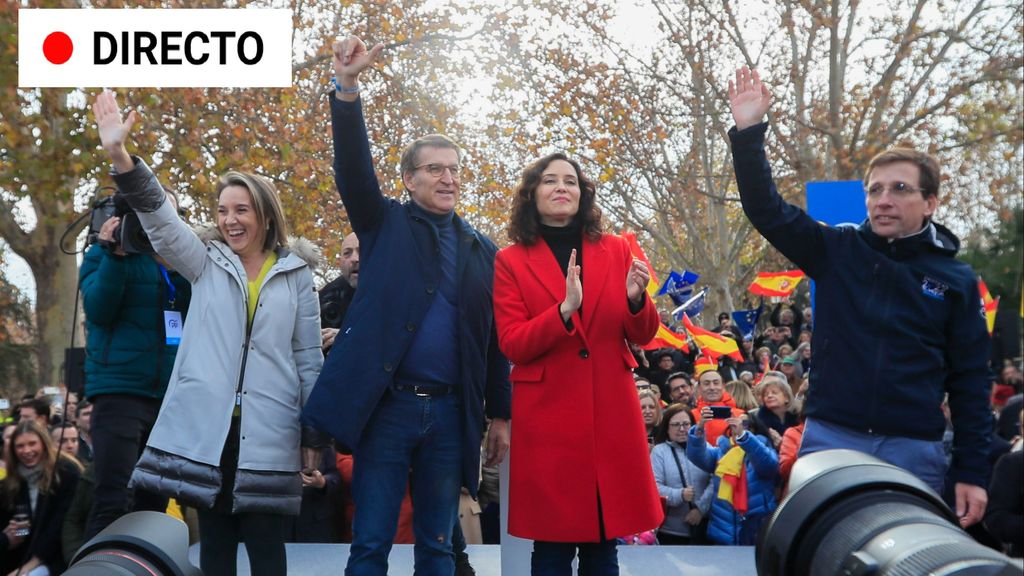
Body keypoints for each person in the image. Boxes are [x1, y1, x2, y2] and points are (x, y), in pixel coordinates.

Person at [729, 66, 992, 527]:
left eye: (900, 189)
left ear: (930, 203)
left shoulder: (956, 280)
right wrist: (749, 132)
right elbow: (765, 210)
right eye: (875, 190)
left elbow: (970, 383)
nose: (883, 200)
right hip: (832, 439)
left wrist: (972, 470)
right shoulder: (836, 250)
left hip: (915, 450)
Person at [301, 36, 511, 575]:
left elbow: (490, 340)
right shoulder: (383, 222)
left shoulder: (481, 249)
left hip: (449, 414)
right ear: (409, 179)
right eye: (435, 169)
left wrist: (500, 414)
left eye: (455, 169)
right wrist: (346, 89)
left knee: (438, 547)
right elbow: (351, 170)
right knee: (370, 542)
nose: (449, 178)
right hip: (387, 410)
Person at [91, 90, 324, 576]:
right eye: (222, 210)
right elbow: (159, 218)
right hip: (208, 430)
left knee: (267, 551)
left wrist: (312, 431)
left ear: (264, 214)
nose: (229, 220)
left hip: (271, 430)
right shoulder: (203, 261)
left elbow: (307, 357)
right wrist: (120, 155)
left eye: (240, 209)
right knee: (215, 548)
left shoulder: (298, 273)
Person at [493, 150, 662, 574]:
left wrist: (635, 299)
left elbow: (643, 335)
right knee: (551, 548)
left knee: (604, 545)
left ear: (582, 194)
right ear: (532, 194)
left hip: (609, 414)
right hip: (549, 420)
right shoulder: (509, 261)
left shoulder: (617, 249)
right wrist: (563, 311)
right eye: (550, 180)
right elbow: (513, 343)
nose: (561, 188)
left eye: (570, 181)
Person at [78, 184, 192, 540]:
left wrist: (176, 264)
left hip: (166, 399)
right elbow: (99, 310)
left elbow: (195, 313)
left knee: (154, 504)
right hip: (119, 393)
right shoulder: (104, 254)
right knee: (113, 497)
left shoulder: (179, 260)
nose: (161, 223)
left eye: (170, 216)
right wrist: (116, 256)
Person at [0, 420, 81, 575]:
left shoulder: (65, 472)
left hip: (59, 556)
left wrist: (30, 565)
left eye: (32, 443)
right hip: (22, 556)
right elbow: (23, 531)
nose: (27, 450)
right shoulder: (12, 482)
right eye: (20, 446)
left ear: (44, 444)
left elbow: (59, 524)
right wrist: (12, 535)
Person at [687, 410, 778, 545]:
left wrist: (744, 437)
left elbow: (768, 466)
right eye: (735, 423)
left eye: (745, 423)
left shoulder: (764, 450)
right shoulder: (722, 451)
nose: (738, 426)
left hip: (755, 529)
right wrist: (699, 428)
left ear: (755, 428)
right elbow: (697, 456)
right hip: (724, 529)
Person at [650, 404, 712, 545]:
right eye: (676, 425)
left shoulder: (705, 447)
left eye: (686, 424)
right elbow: (655, 488)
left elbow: (716, 480)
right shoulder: (659, 452)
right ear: (667, 427)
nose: (682, 429)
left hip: (704, 528)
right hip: (670, 531)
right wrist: (680, 495)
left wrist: (700, 509)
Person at [318, 231, 359, 351]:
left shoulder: (396, 293)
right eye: (347, 253)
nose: (354, 259)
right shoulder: (324, 298)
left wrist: (348, 337)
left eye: (361, 251)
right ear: (340, 261)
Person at [690, 358, 744, 446]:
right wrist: (700, 426)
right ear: (699, 388)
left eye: (716, 383)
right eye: (706, 384)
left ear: (723, 386)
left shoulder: (739, 414)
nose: (712, 387)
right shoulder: (691, 415)